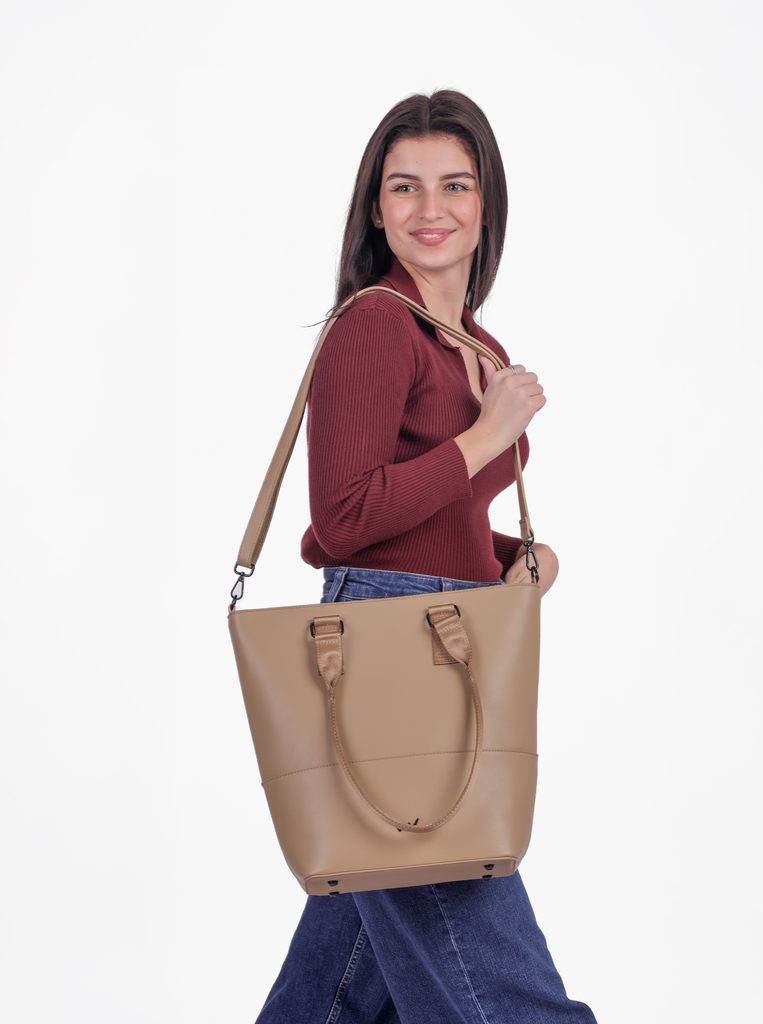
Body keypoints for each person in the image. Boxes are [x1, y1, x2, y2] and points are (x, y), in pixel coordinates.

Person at [255, 89, 598, 1024]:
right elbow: (345, 518)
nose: (430, 208)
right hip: (387, 644)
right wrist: (487, 438)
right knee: (497, 973)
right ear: (376, 208)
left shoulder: (477, 345)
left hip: (451, 634)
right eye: (404, 187)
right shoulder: (375, 324)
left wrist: (516, 556)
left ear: (487, 205)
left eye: (456, 185)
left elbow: (411, 515)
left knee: (340, 981)